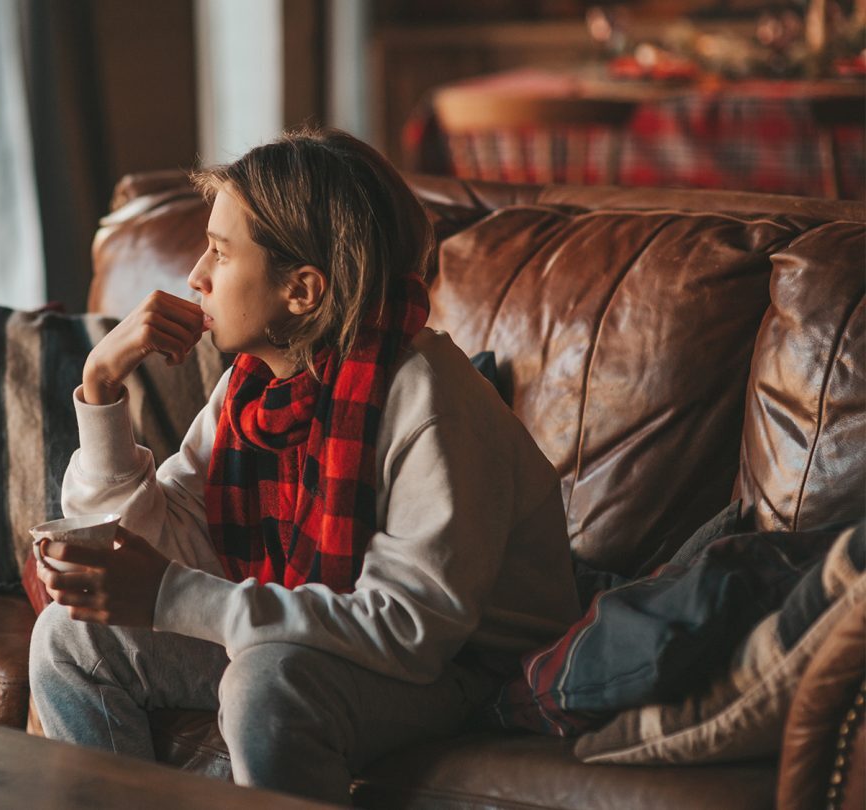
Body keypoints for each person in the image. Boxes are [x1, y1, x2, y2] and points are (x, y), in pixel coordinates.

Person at [28, 128, 581, 804]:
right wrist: (102, 386)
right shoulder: (252, 389)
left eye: (221, 254)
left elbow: (410, 629)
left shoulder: (429, 402)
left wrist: (172, 596)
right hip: (333, 636)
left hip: (467, 668)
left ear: (303, 291)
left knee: (269, 679)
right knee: (69, 636)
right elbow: (157, 539)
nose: (196, 275)